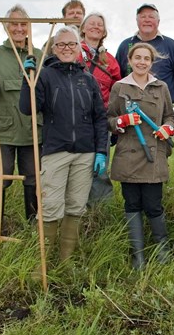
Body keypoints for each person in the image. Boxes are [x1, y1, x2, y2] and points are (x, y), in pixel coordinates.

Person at [19, 25, 108, 262]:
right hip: (55, 151)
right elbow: (27, 108)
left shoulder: (88, 80)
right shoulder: (45, 76)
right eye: (61, 44)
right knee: (50, 206)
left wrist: (101, 151)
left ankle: (65, 261)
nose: (66, 48)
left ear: (79, 48)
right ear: (54, 48)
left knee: (76, 206)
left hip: (85, 153)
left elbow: (100, 118)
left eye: (71, 44)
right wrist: (27, 80)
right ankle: (42, 263)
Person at [0, 4, 42, 241]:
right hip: (3, 129)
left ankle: (32, 226)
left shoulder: (38, 55)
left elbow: (46, 92)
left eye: (23, 24)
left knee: (32, 178)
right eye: (14, 24)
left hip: (31, 129)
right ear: (6, 26)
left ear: (29, 27)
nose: (19, 28)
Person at [108, 43, 174, 270]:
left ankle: (162, 251)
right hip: (128, 156)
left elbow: (170, 116)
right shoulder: (119, 87)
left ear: (151, 62)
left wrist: (167, 128)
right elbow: (109, 119)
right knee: (132, 204)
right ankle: (137, 255)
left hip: (154, 156)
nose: (142, 62)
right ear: (129, 60)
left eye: (146, 58)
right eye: (137, 57)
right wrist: (122, 121)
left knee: (154, 205)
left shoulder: (161, 87)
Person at [79, 12, 122, 205]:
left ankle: (99, 213)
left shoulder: (110, 61)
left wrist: (114, 125)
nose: (96, 27)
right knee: (76, 166)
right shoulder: (73, 53)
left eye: (100, 24)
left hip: (100, 122)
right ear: (83, 28)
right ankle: (75, 210)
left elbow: (116, 91)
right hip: (74, 120)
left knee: (100, 169)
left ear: (104, 32)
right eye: (91, 23)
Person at [115, 3, 174, 103]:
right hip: (130, 106)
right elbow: (118, 76)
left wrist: (169, 100)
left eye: (151, 17)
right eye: (143, 16)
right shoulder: (125, 46)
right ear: (137, 21)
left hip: (163, 106)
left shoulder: (172, 46)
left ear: (158, 21)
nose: (147, 20)